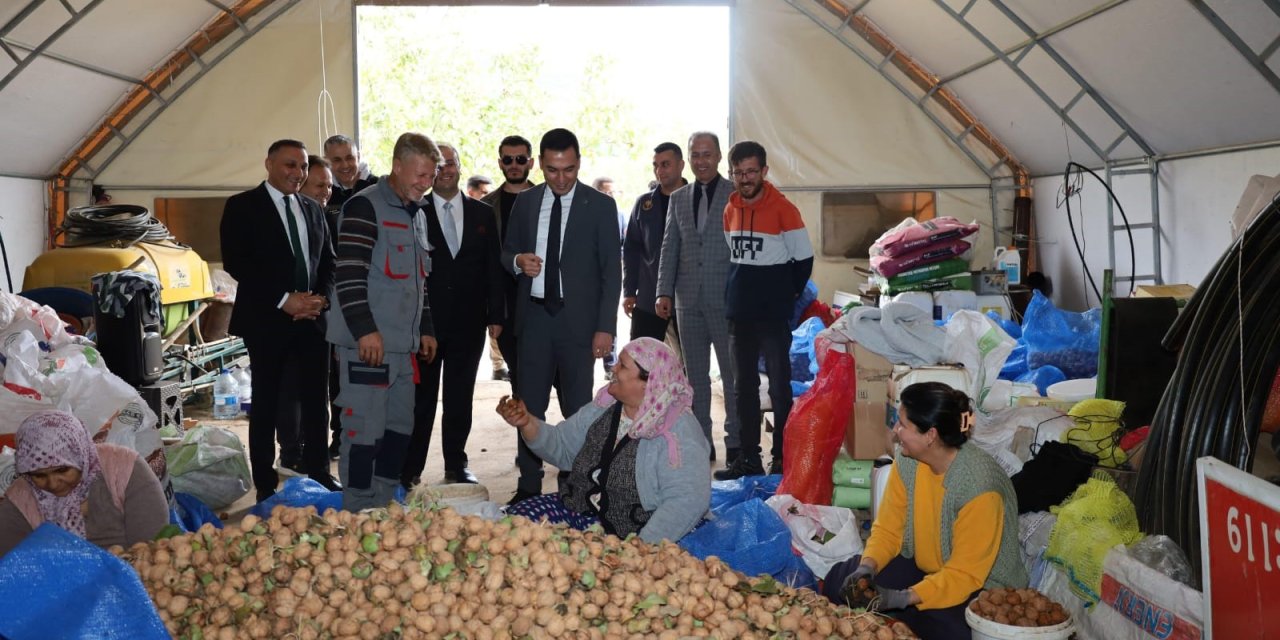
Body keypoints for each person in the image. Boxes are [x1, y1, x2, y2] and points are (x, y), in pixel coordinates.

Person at [822, 383, 1028, 639]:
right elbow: (889, 529)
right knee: (841, 582)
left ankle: (905, 612)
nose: (896, 432)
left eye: (903, 425)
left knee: (949, 629)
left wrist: (902, 598)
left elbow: (963, 575)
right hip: (925, 566)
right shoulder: (908, 460)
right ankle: (901, 610)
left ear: (930, 435)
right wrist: (868, 567)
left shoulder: (979, 486)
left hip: (979, 585)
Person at [501, 128, 622, 505]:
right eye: (552, 170)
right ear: (540, 164)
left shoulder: (600, 206)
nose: (561, 178)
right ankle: (528, 487)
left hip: (579, 325)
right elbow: (506, 255)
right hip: (534, 320)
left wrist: (606, 328)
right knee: (529, 406)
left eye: (568, 169)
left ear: (579, 163)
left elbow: (611, 273)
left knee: (579, 409)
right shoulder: (525, 203)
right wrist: (519, 262)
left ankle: (577, 485)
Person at [497, 338, 710, 543]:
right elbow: (562, 447)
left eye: (623, 366)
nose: (613, 369)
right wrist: (527, 423)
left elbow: (687, 500)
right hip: (584, 514)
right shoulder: (603, 407)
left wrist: (641, 548)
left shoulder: (678, 430)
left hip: (637, 531)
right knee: (515, 523)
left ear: (648, 383)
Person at [327, 132, 439, 511]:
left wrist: (426, 329)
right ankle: (357, 510)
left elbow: (418, 280)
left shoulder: (417, 213)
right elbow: (349, 275)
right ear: (397, 166)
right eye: (420, 175)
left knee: (398, 432)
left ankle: (383, 506)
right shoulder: (365, 206)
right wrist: (364, 330)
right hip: (368, 348)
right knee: (363, 434)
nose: (426, 183)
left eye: (431, 176)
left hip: (401, 350)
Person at [220, 139, 338, 501]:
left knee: (317, 402)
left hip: (312, 320)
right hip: (267, 321)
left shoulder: (312, 208)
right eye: (290, 165)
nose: (298, 174)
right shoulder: (242, 206)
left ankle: (319, 473)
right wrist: (285, 300)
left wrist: (320, 299)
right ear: (269, 164)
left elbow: (328, 261)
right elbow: (238, 262)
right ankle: (266, 484)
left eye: (303, 167)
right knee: (268, 402)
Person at [401, 144, 503, 489]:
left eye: (451, 164)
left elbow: (493, 268)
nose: (445, 170)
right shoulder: (413, 211)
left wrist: (496, 315)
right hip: (425, 323)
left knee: (460, 398)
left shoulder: (483, 213)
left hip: (469, 323)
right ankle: (410, 468)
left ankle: (456, 465)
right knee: (421, 400)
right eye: (438, 165)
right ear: (429, 170)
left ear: (461, 167)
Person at [718, 140, 814, 479]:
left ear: (764, 171)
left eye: (751, 172)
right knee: (742, 387)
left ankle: (782, 460)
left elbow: (803, 261)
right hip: (739, 313)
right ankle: (748, 460)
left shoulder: (785, 210)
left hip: (773, 315)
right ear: (732, 174)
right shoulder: (729, 210)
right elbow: (736, 262)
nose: (745, 179)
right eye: (738, 173)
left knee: (779, 387)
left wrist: (784, 295)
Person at [655, 132, 740, 465]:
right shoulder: (678, 199)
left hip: (727, 300)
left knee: (732, 377)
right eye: (695, 155)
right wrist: (663, 290)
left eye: (707, 154)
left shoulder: (736, 195)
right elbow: (669, 248)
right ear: (688, 159)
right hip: (686, 302)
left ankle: (735, 444)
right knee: (695, 379)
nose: (701, 160)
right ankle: (702, 442)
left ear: (719, 157)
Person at [0, 411, 168, 558]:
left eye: (63, 470)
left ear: (81, 456)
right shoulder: (20, 498)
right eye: (39, 475)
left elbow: (153, 549)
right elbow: (12, 565)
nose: (53, 484)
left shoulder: (124, 471)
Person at [481, 135, 539, 386]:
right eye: (508, 159)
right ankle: (525, 426)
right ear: (500, 163)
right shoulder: (485, 207)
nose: (514, 164)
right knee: (519, 378)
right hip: (504, 308)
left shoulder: (549, 200)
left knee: (552, 377)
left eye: (520, 159)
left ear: (531, 162)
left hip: (542, 304)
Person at [624, 142, 686, 343]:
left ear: (681, 165)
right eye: (655, 165)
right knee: (641, 363)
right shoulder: (644, 204)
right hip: (649, 297)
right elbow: (631, 250)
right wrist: (629, 292)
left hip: (688, 300)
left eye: (665, 164)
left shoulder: (696, 200)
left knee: (689, 364)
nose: (659, 171)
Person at [592, 176, 628, 377]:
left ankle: (610, 363)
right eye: (607, 192)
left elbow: (624, 244)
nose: (612, 197)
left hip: (611, 276)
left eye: (615, 192)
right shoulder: (586, 214)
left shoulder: (621, 216)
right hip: (588, 280)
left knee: (609, 317)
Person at [324, 134, 379, 212]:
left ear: (358, 157)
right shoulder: (324, 192)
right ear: (326, 161)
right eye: (337, 160)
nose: (345, 165)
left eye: (349, 158)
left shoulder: (378, 187)